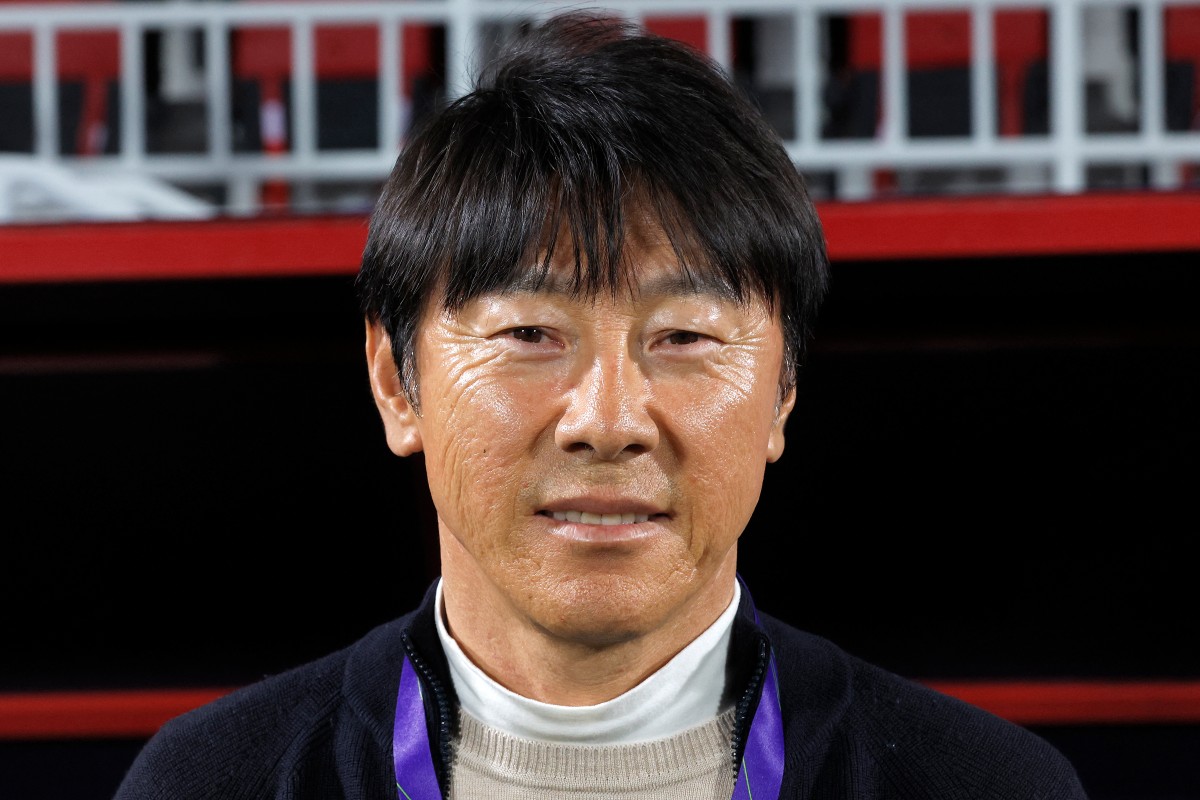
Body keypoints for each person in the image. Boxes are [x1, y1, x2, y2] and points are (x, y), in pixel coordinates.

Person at [114, 12, 1089, 800]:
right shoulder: (213, 780)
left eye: (684, 338)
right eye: (532, 334)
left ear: (783, 387)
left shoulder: (984, 783)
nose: (608, 419)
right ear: (393, 379)